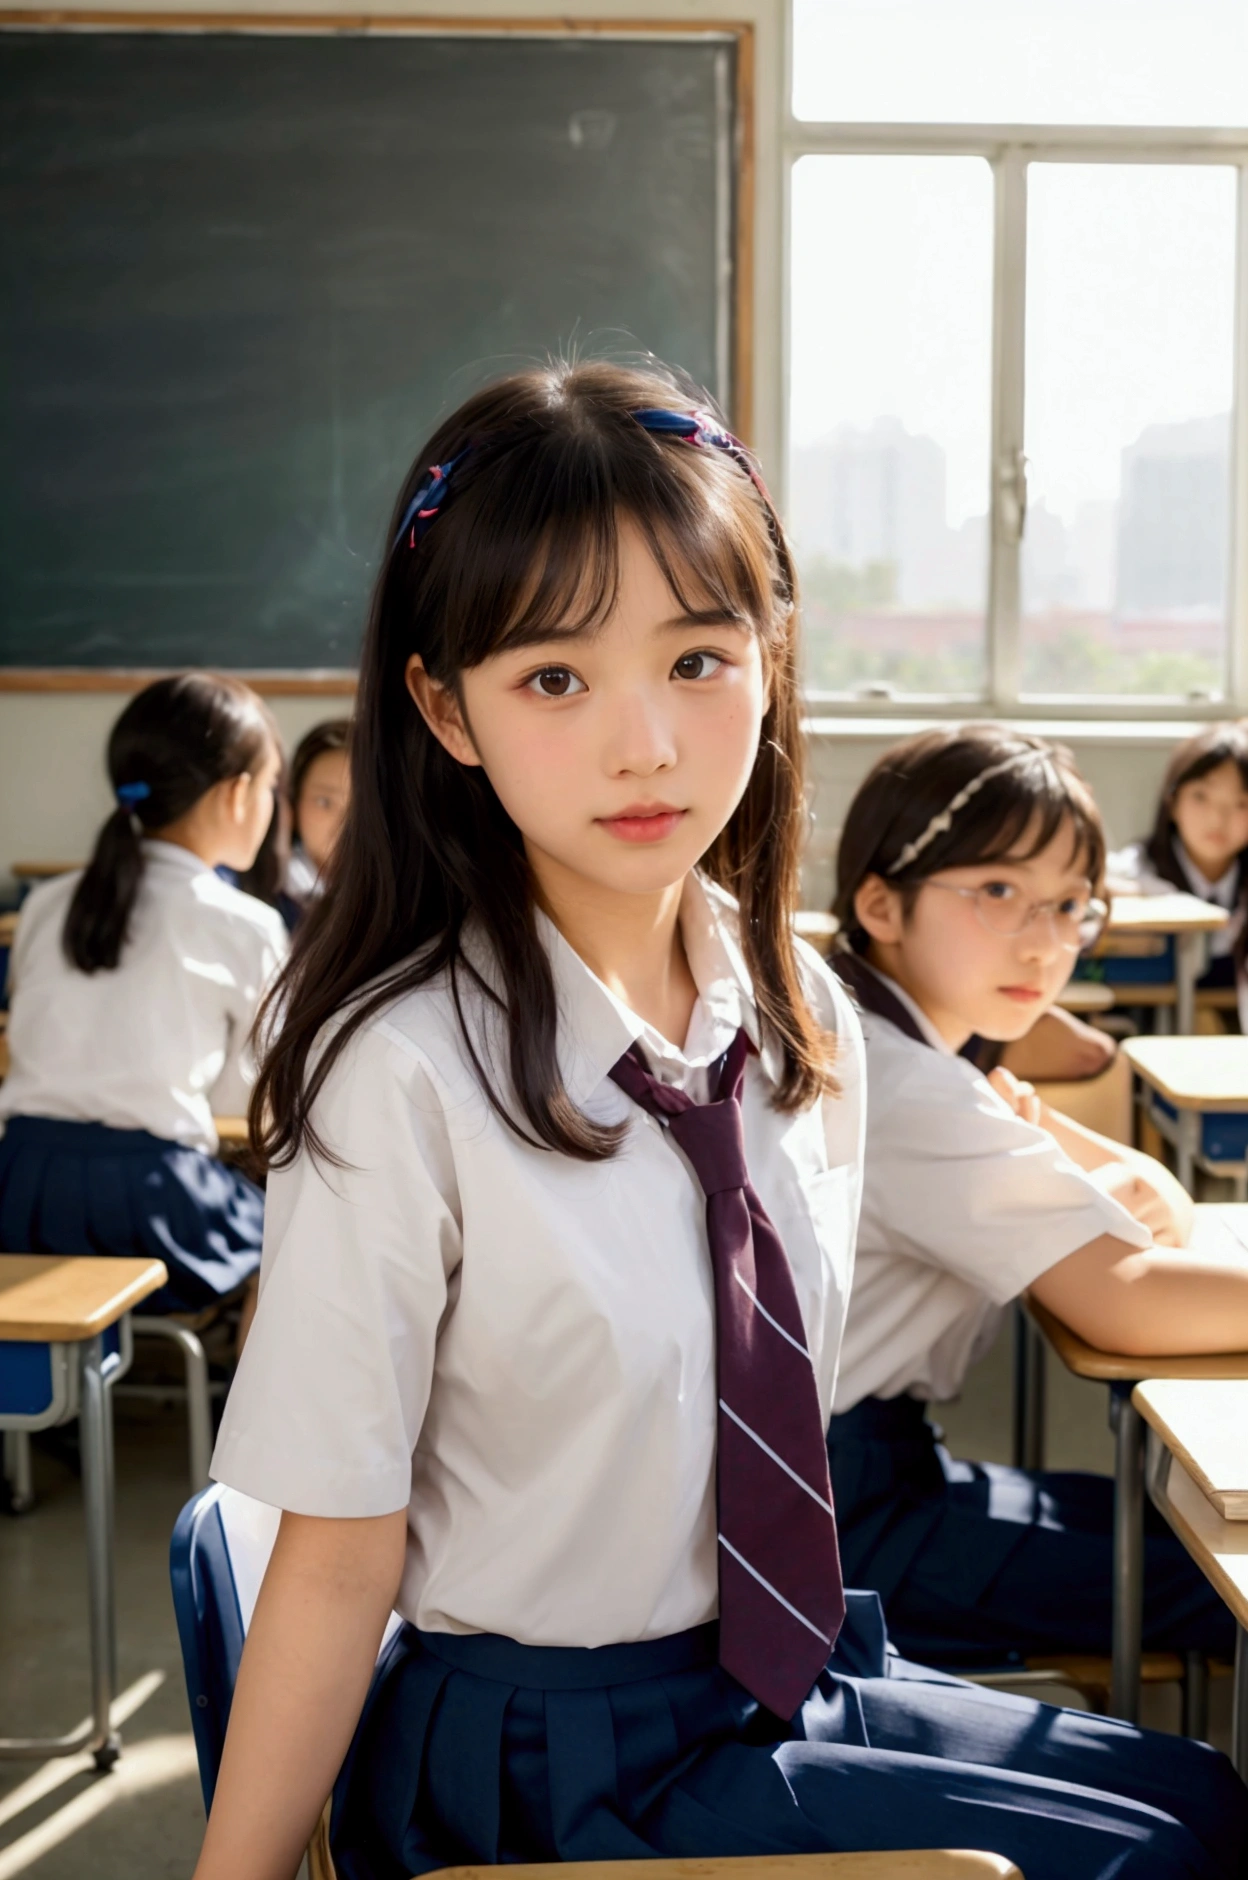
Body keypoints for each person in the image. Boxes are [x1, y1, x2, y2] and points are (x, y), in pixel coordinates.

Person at [197, 365, 1246, 1880]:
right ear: (448, 709)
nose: (647, 745)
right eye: (554, 679)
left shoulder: (790, 1001)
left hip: (772, 1674)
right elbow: (338, 1549)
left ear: (771, 657)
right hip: (543, 1755)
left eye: (698, 660)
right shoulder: (405, 1069)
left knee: (1209, 1805)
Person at [827, 723, 1248, 1674]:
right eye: (999, 893)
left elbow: (1159, 1212)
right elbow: (1128, 1297)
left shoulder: (887, 1036)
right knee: (1204, 1562)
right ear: (881, 904)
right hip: (849, 1521)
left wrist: (1030, 1121)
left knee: (1173, 1524)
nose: (1047, 942)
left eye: (1070, 906)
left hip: (864, 1475)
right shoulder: (907, 1086)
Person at [0, 673, 287, 1340]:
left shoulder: (45, 905)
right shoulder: (242, 925)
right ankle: (239, 1432)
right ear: (238, 794)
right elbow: (253, 1097)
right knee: (296, 1236)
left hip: (21, 1190)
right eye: (271, 787)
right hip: (149, 1199)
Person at [1105, 721, 1248, 1024]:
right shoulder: (1136, 871)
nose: (1217, 817)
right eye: (1201, 796)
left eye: (1241, 804)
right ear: (1172, 800)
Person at [282, 718, 350, 912]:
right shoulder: (262, 891)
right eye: (324, 802)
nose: (344, 821)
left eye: (360, 807)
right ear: (294, 803)